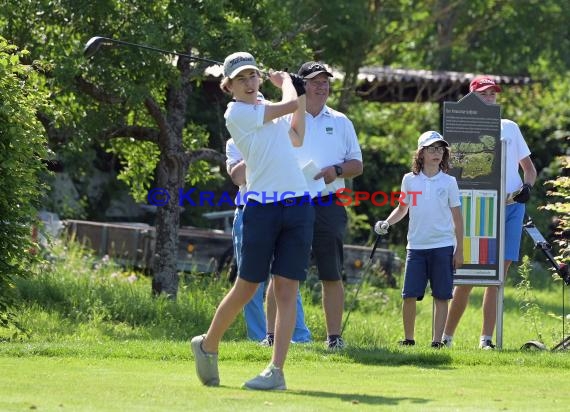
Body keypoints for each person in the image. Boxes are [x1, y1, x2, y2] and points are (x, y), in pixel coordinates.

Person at [191, 52, 314, 390]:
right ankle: (208, 344)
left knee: (287, 288)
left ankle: (276, 370)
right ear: (228, 86)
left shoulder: (267, 115)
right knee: (247, 287)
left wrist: (299, 94)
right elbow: (287, 106)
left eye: (253, 76)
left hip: (298, 205)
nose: (248, 82)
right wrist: (290, 84)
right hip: (261, 208)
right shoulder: (238, 113)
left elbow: (298, 135)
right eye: (240, 78)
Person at [442, 76, 537, 349]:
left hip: (511, 207)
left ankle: (486, 340)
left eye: (493, 93)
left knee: (497, 278)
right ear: (472, 97)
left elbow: (528, 169)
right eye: (484, 94)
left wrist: (527, 188)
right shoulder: (464, 126)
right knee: (468, 275)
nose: (490, 97)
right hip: (479, 207)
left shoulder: (510, 127)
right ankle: (446, 337)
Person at [294, 61, 363, 349]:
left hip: (329, 202)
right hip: (292, 200)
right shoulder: (288, 117)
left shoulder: (341, 121)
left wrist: (336, 170)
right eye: (315, 81)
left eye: (325, 82)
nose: (322, 87)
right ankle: (273, 336)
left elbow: (357, 165)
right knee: (285, 270)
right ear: (303, 85)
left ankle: (333, 338)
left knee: (331, 270)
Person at [374, 131, 464, 348]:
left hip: (443, 246)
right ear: (421, 153)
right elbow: (402, 208)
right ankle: (409, 339)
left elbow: (458, 218)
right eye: (432, 149)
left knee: (442, 295)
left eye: (440, 149)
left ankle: (436, 342)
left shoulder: (449, 182)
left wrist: (459, 249)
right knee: (409, 295)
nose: (437, 153)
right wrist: (387, 222)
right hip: (416, 246)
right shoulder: (409, 180)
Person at [225, 135, 312, 345]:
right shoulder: (234, 141)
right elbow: (238, 177)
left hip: (283, 210)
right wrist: (261, 149)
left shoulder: (282, 135)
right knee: (250, 281)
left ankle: (298, 337)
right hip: (249, 212)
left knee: (286, 277)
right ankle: (260, 338)